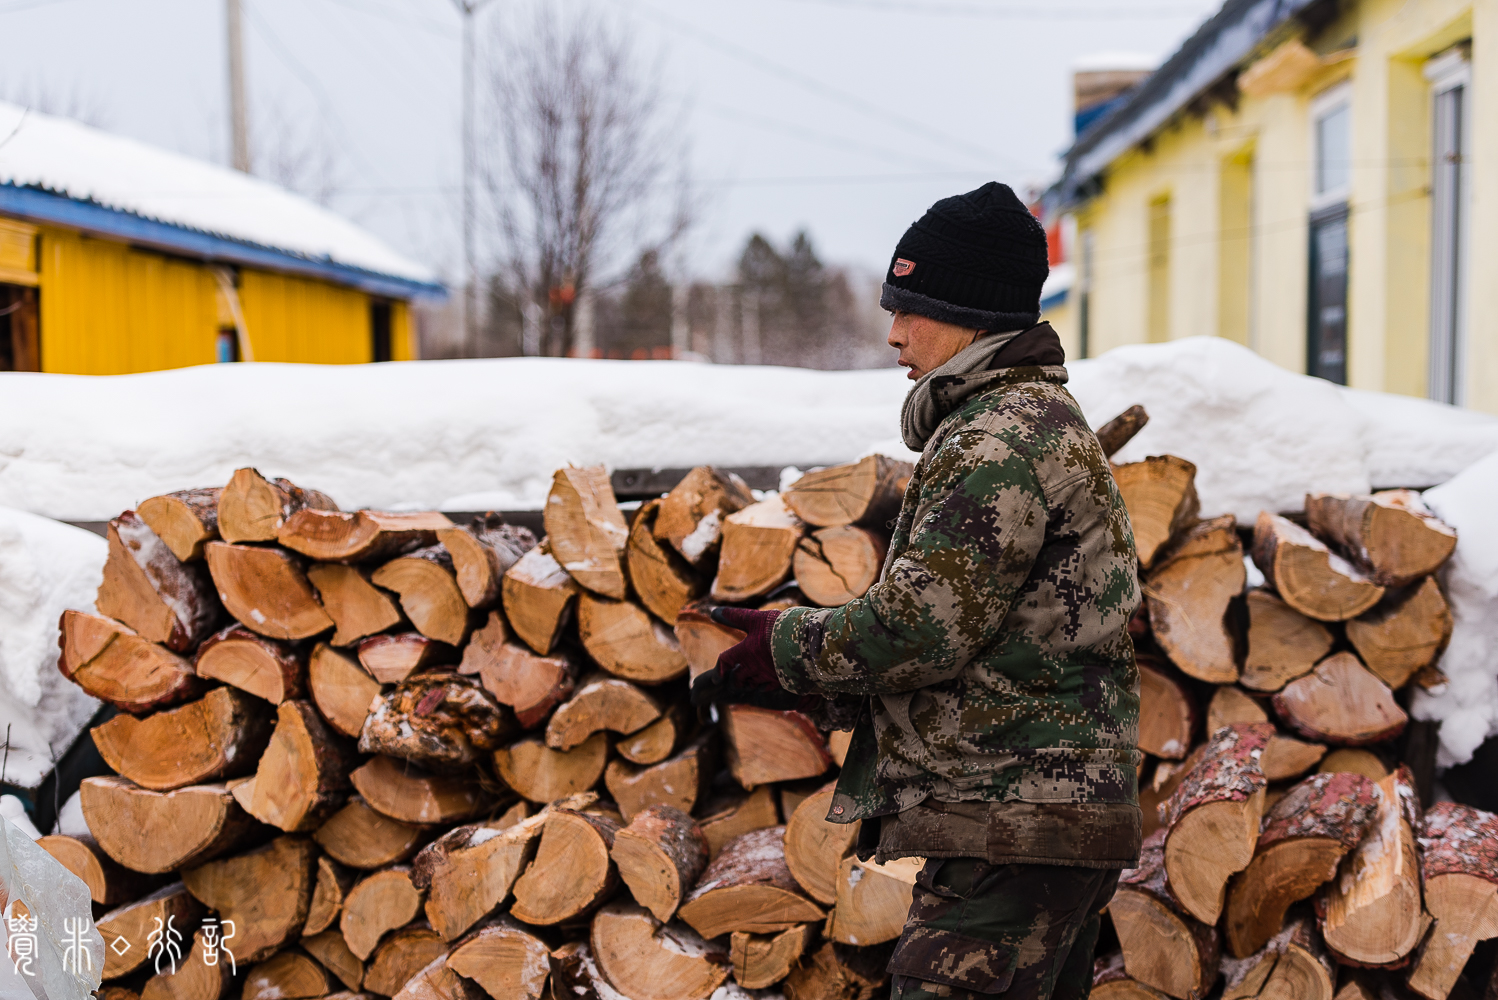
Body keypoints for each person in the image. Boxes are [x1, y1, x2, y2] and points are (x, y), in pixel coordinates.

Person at [693, 182, 1142, 1000]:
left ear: (973, 314)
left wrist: (784, 647)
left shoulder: (996, 437)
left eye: (913, 309)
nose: (894, 332)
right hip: (1039, 816)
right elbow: (1001, 642)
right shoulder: (1027, 419)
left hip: (1011, 821)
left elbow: (921, 627)